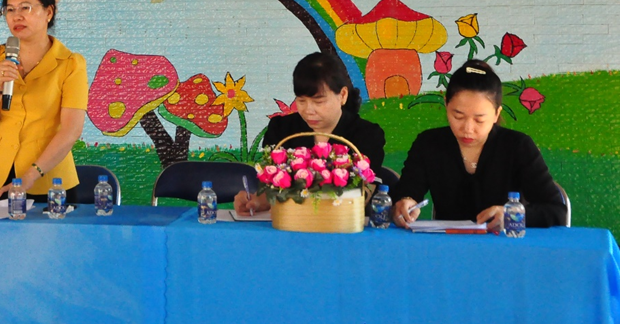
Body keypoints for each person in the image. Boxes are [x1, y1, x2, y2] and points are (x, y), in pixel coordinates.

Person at [391, 59, 566, 231]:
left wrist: (511, 215)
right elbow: (405, 193)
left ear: (496, 114)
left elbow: (555, 210)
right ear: (446, 105)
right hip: (447, 244)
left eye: (479, 120)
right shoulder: (429, 143)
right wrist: (404, 203)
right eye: (458, 116)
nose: (468, 129)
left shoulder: (517, 146)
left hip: (503, 245)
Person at [0, 0, 88, 202]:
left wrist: (30, 176)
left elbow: (71, 131)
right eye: (10, 9)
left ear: (48, 12)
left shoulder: (70, 64)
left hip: (49, 179)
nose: (17, 16)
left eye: (25, 7)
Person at [233, 52, 385, 216]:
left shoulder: (367, 135)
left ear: (342, 95)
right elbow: (272, 188)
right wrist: (257, 201)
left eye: (318, 101)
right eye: (301, 101)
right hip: (292, 222)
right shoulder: (282, 129)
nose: (308, 110)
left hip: (341, 221)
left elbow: (363, 193)